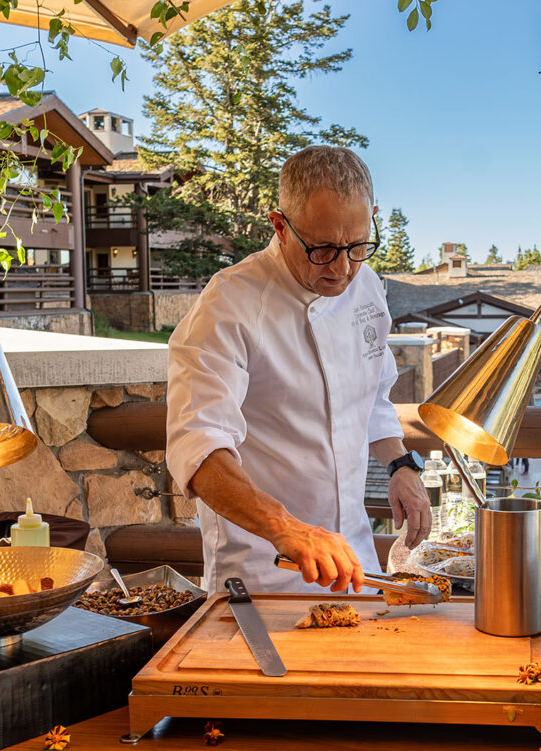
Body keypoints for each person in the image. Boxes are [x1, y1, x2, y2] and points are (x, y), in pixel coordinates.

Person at [166, 146, 431, 595]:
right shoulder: (228, 304)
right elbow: (200, 449)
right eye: (323, 249)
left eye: (357, 246)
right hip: (264, 571)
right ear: (280, 226)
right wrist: (286, 527)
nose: (343, 268)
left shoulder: (366, 286)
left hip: (356, 563)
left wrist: (400, 463)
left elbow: (373, 397)